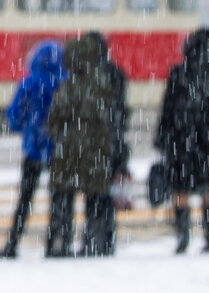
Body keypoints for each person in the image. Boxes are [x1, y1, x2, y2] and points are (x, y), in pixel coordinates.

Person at [0, 39, 65, 259]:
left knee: (25, 199)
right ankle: (54, 245)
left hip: (33, 147)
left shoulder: (29, 83)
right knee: (58, 199)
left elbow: (14, 116)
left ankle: (13, 244)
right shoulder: (63, 82)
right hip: (57, 149)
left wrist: (27, 128)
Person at [154, 27, 209, 254]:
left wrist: (163, 138)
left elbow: (167, 109)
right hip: (208, 141)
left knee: (180, 191)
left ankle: (183, 237)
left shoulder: (178, 73)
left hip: (180, 140)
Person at [45, 36, 112, 258]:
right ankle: (93, 243)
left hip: (68, 151)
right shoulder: (102, 84)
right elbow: (109, 118)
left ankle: (59, 243)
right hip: (95, 151)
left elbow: (55, 118)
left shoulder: (68, 87)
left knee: (62, 199)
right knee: (94, 199)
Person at [82, 31, 130, 256]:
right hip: (114, 142)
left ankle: (91, 240)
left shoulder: (84, 74)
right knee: (108, 195)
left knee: (92, 195)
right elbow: (121, 110)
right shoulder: (116, 73)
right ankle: (108, 241)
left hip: (91, 143)